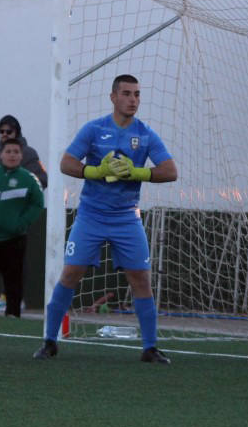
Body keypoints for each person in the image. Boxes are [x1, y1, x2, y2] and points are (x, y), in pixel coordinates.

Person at [32, 74, 178, 363]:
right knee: (70, 274)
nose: (133, 100)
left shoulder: (145, 134)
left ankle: (149, 348)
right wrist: (95, 171)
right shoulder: (94, 129)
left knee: (141, 279)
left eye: (137, 94)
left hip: (127, 218)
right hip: (91, 215)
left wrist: (137, 172)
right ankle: (50, 342)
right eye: (126, 93)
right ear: (113, 97)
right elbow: (66, 163)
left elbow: (170, 171)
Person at [0, 138, 45, 317]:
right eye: (8, 151)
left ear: (21, 156)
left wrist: (21, 223)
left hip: (14, 240)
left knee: (13, 280)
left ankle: (12, 315)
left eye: (16, 152)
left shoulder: (29, 179)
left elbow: (37, 204)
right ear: (1, 155)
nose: (12, 155)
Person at [0, 115, 48, 189]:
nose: (4, 134)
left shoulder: (29, 153)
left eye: (9, 132)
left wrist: (17, 185)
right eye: (1, 131)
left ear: (17, 133)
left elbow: (42, 180)